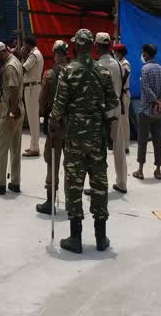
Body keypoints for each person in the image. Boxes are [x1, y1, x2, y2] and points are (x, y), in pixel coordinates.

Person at [49, 29, 119, 253]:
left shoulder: (68, 72)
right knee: (99, 184)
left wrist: (52, 123)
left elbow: (58, 107)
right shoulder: (103, 72)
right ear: (91, 46)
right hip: (97, 137)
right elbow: (112, 104)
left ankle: (75, 238)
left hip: (75, 138)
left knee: (74, 184)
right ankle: (101, 237)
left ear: (76, 46)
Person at [0, 42, 25, 195]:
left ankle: (0, 182)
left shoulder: (9, 67)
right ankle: (15, 181)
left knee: (2, 147)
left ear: (2, 53)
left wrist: (12, 112)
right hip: (17, 107)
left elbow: (13, 90)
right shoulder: (15, 61)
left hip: (11, 109)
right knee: (15, 148)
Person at [35, 40, 69, 214]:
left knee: (52, 162)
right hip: (71, 126)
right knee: (70, 164)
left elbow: (42, 101)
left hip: (55, 125)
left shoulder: (50, 75)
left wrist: (43, 117)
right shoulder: (73, 72)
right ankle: (71, 201)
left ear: (56, 53)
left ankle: (50, 201)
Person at [93, 32, 127, 193]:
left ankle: (98, 185)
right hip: (117, 107)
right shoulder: (118, 64)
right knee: (118, 146)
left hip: (102, 110)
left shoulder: (98, 65)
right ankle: (122, 183)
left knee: (98, 150)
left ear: (98, 46)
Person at [134, 44, 161, 181]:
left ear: (146, 55)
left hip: (146, 110)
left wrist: (155, 101)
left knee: (142, 140)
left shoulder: (145, 69)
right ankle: (158, 170)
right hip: (158, 112)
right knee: (157, 141)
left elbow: (146, 89)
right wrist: (159, 102)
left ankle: (140, 170)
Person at [21, 36, 44, 157]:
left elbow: (23, 69)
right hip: (33, 87)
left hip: (32, 88)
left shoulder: (33, 55)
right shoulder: (36, 53)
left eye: (24, 45)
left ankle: (35, 147)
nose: (23, 47)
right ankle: (33, 145)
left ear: (28, 45)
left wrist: (21, 56)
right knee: (33, 118)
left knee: (33, 118)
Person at [113, 44, 131, 156]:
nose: (115, 54)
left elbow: (124, 77)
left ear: (120, 53)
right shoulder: (120, 63)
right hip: (120, 93)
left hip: (123, 93)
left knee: (124, 120)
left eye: (116, 52)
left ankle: (126, 145)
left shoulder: (125, 64)